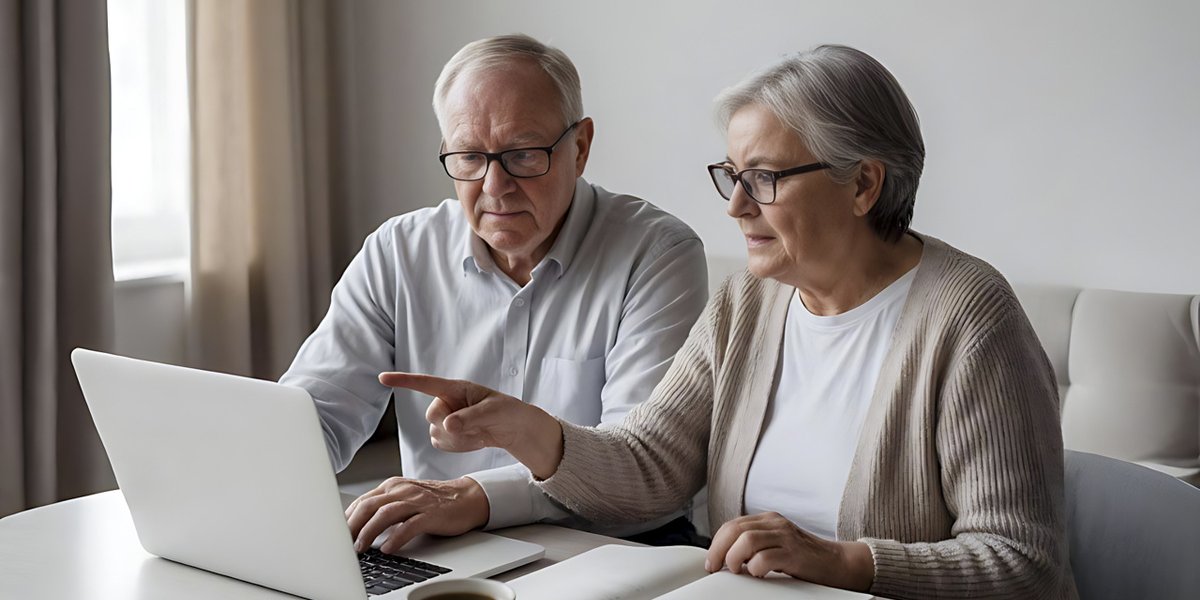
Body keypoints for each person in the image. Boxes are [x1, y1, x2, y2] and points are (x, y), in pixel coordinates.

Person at [380, 45, 1079, 599]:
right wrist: (529, 430)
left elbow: (1023, 565)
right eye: (731, 174)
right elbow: (652, 465)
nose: (736, 206)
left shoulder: (968, 317)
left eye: (766, 178)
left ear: (863, 184)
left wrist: (844, 562)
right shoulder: (748, 302)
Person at [280, 34, 708, 550]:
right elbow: (314, 417)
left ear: (580, 147)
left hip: (617, 545)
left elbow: (639, 465)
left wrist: (477, 496)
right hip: (444, 547)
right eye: (468, 157)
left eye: (523, 154)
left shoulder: (657, 253)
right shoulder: (399, 251)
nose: (494, 185)